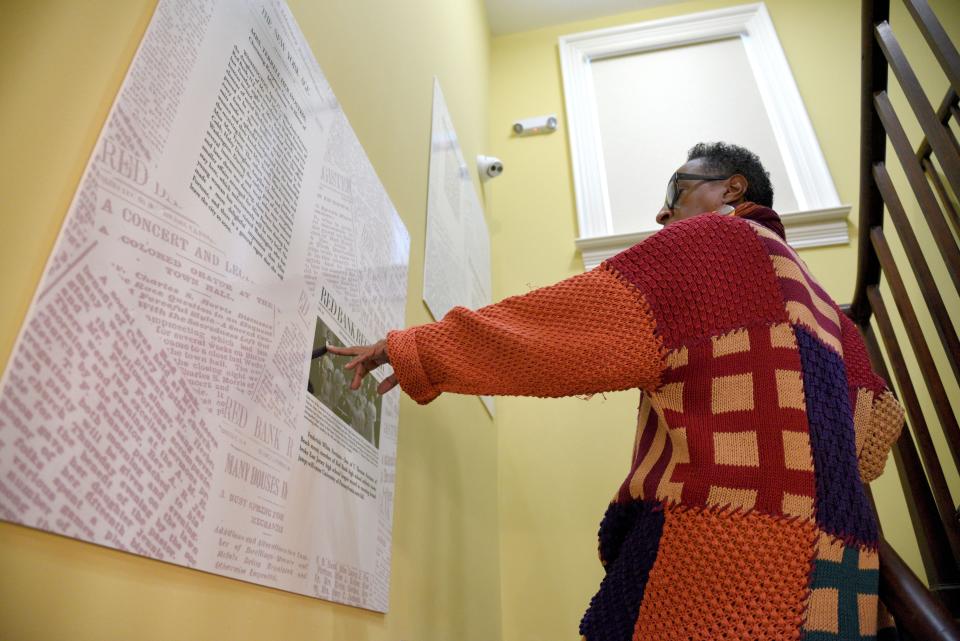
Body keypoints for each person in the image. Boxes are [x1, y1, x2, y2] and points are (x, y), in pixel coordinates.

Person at [326, 142, 904, 640]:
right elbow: (875, 441)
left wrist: (420, 350)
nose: (660, 212)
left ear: (733, 188)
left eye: (676, 190)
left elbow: (557, 331)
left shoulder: (713, 246)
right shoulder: (833, 314)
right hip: (845, 579)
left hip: (728, 564)